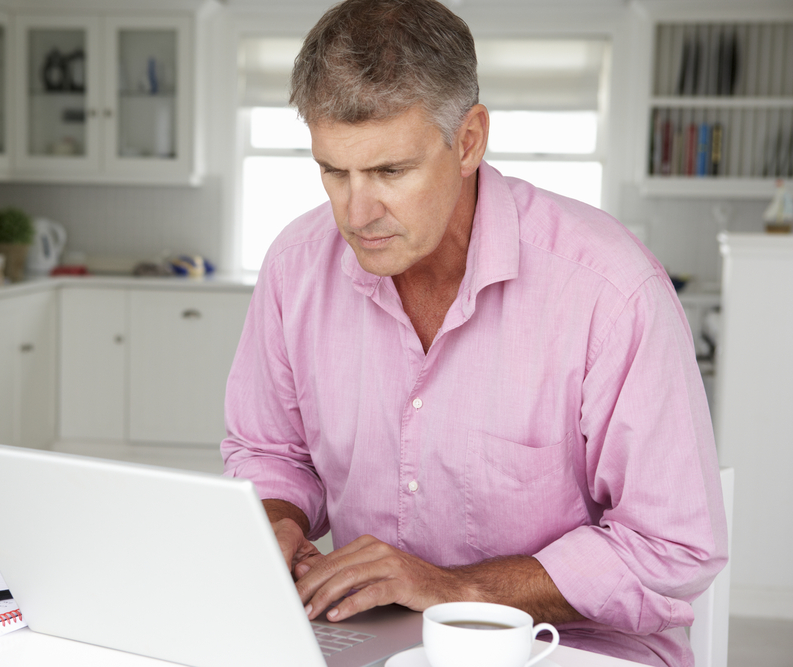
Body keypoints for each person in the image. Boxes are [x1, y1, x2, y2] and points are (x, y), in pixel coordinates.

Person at [221, 1, 728, 665]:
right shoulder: (295, 268)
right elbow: (269, 451)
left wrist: (456, 589)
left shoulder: (609, 290)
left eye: (390, 172)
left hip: (572, 645)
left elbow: (675, 545)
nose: (356, 212)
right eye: (333, 172)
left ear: (468, 140)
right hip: (374, 636)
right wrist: (278, 524)